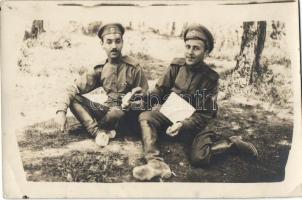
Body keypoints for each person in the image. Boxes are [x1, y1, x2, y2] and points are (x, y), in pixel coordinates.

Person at [132, 24, 258, 181]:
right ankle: (156, 163)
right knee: (146, 117)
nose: (190, 53)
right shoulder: (176, 66)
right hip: (171, 115)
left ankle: (232, 144)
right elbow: (159, 91)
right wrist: (142, 97)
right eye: (188, 47)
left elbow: (204, 115)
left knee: (199, 158)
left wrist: (183, 125)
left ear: (206, 52)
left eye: (196, 48)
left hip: (198, 123)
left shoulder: (210, 79)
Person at [55, 23, 149, 146]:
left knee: (117, 112)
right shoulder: (100, 68)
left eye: (117, 41)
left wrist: (130, 104)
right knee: (74, 99)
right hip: (107, 111)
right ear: (102, 44)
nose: (114, 46)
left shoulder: (134, 67)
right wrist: (61, 111)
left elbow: (146, 100)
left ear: (122, 42)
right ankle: (98, 132)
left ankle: (93, 128)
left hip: (128, 116)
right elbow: (73, 88)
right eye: (109, 42)